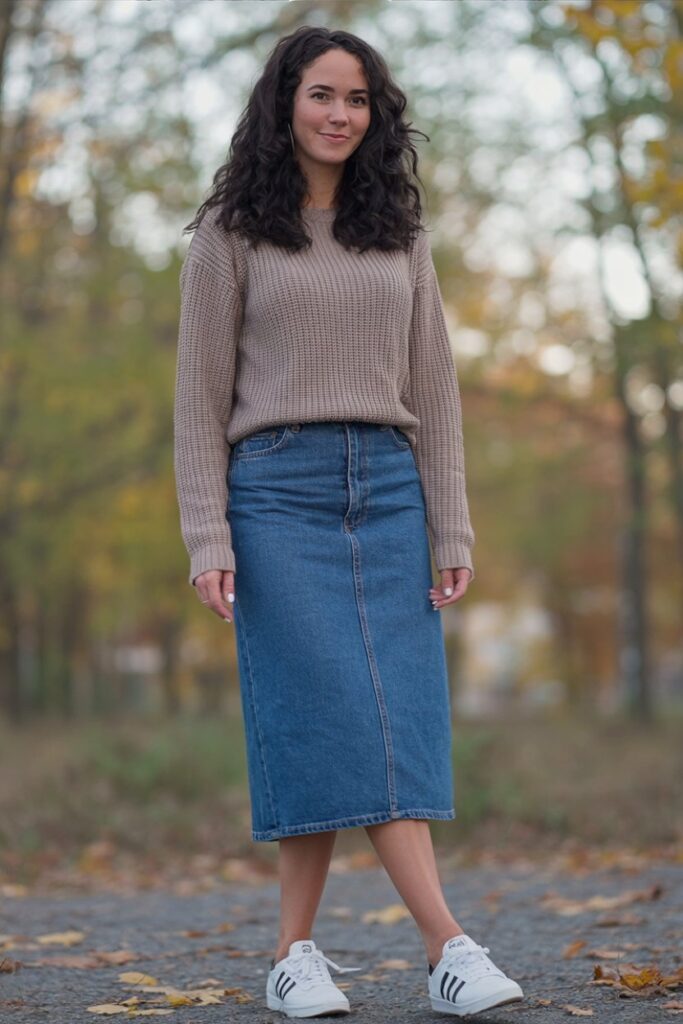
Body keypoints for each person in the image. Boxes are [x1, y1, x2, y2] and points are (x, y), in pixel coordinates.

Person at [173, 24, 524, 1020]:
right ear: (283, 101)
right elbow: (198, 400)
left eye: (357, 100)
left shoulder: (399, 232)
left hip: (386, 484)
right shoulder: (230, 233)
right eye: (321, 94)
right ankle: (445, 942)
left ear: (376, 115)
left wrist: (449, 525)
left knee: (384, 718)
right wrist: (209, 534)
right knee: (323, 714)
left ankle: (294, 955)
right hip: (275, 493)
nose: (338, 114)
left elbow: (436, 388)